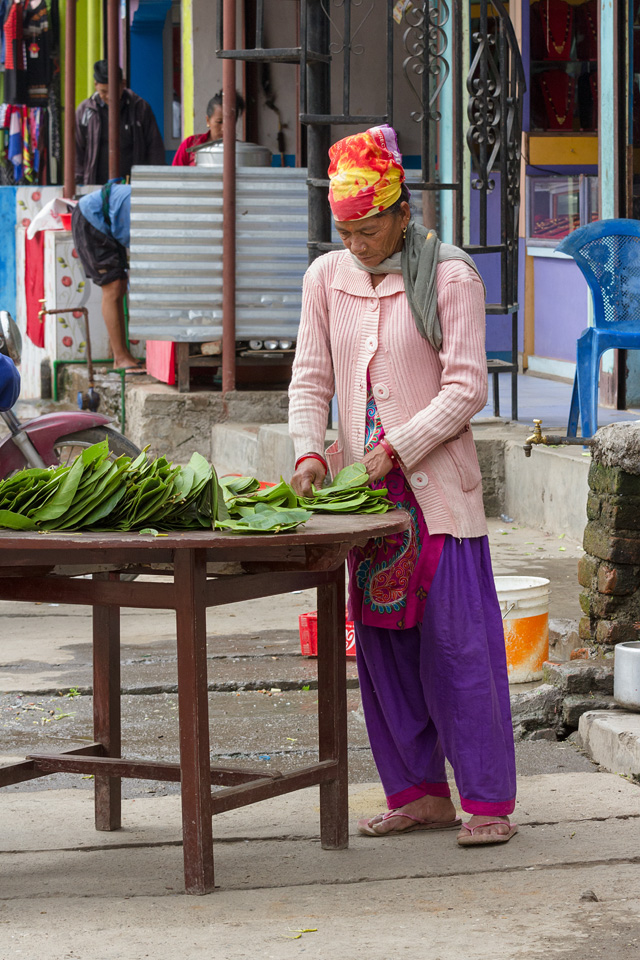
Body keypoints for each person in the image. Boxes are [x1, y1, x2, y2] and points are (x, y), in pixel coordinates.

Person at [288, 125, 517, 846]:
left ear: (402, 212)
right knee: (383, 654)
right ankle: (419, 797)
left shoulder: (451, 275)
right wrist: (309, 455)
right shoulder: (326, 278)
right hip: (366, 503)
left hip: (436, 497)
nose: (356, 244)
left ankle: (487, 804)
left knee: (458, 652)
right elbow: (310, 379)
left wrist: (398, 447)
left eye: (368, 229)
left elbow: (467, 388)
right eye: (345, 232)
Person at [71, 181, 143, 373]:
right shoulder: (145, 209)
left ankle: (123, 355)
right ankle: (120, 358)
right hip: (90, 218)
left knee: (120, 284)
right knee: (113, 286)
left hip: (106, 220)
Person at [76, 60, 165, 185]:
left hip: (132, 185)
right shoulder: (85, 111)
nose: (109, 96)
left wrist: (156, 181)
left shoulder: (140, 108)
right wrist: (79, 183)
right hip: (95, 185)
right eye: (104, 92)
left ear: (123, 84)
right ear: (96, 85)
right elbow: (77, 151)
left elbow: (155, 148)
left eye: (113, 91)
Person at [172, 89, 245, 167]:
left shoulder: (241, 151)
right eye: (219, 122)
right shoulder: (190, 144)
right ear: (208, 121)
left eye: (230, 123)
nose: (224, 129)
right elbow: (175, 173)